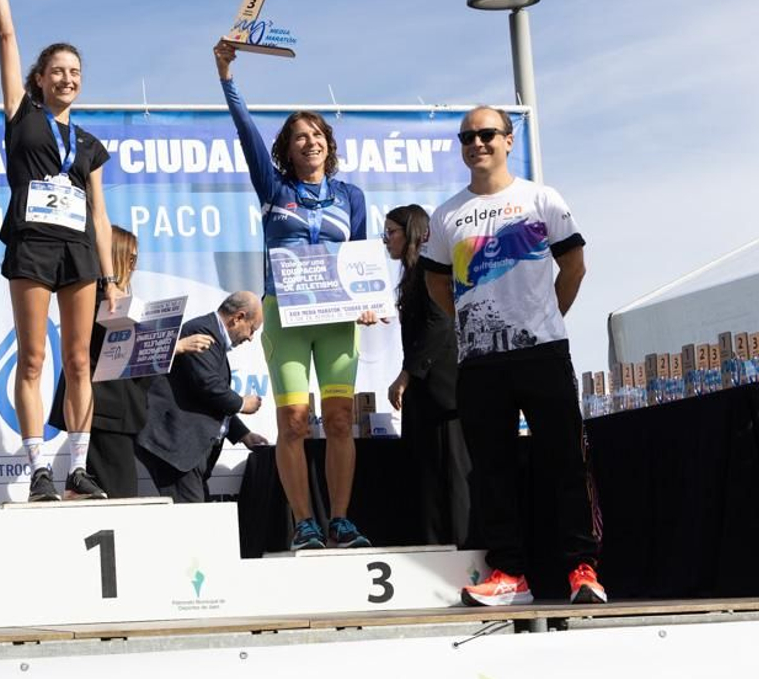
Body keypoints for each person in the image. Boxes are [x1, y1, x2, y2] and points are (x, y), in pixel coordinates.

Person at [420, 106, 605, 605]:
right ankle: (510, 574)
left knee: (564, 462)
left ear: (507, 139)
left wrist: (546, 314)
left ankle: (581, 570)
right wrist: (465, 320)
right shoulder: (446, 214)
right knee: (491, 469)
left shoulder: (541, 198)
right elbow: (436, 279)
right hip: (479, 362)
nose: (476, 144)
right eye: (466, 137)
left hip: (541, 351)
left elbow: (574, 265)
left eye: (485, 134)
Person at [214, 40, 373, 550]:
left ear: (328, 142)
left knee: (342, 419)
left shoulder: (351, 197)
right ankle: (305, 521)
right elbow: (246, 134)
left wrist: (369, 301)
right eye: (299, 137)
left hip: (337, 317)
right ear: (288, 149)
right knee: (294, 420)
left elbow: (362, 257)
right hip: (284, 313)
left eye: (316, 134)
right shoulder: (274, 187)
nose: (309, 142)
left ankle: (341, 520)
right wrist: (227, 78)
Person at [0, 0, 123, 502]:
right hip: (33, 246)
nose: (67, 78)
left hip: (80, 254)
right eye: (57, 70)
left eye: (75, 72)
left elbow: (101, 214)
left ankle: (78, 468)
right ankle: (38, 467)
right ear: (40, 79)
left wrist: (112, 277)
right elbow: (7, 35)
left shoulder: (89, 143)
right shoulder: (23, 115)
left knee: (79, 358)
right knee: (35, 355)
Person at [47, 226, 213, 497]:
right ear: (116, 257)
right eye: (132, 258)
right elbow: (125, 351)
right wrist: (176, 346)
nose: (135, 266)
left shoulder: (102, 299)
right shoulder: (103, 301)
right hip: (103, 410)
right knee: (117, 493)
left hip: (108, 412)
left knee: (100, 490)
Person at [383, 204, 471, 547]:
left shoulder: (429, 270)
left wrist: (406, 373)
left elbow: (440, 325)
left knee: (452, 475)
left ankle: (464, 552)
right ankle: (436, 550)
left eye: (391, 232)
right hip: (425, 391)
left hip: (444, 392)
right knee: (428, 476)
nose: (386, 240)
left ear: (412, 232)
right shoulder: (409, 275)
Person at [135, 291, 270, 502]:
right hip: (175, 448)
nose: (251, 338)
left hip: (185, 451)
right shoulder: (201, 331)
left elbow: (204, 398)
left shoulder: (211, 334)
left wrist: (243, 434)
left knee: (199, 516)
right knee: (192, 520)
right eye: (252, 329)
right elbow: (207, 385)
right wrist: (241, 403)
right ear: (238, 318)